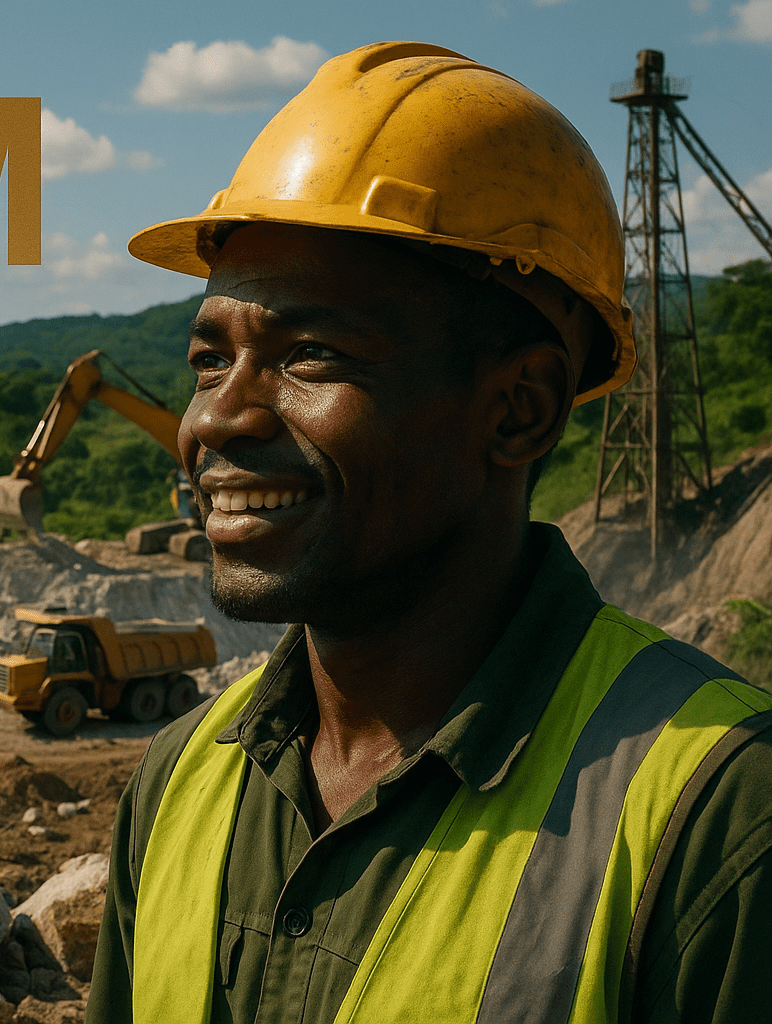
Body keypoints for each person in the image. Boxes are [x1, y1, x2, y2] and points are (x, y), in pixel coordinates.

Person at [85, 41, 772, 1024]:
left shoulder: (718, 818)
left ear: (519, 408)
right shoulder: (179, 782)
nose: (215, 419)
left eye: (309, 353)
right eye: (209, 361)